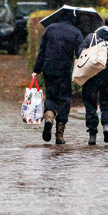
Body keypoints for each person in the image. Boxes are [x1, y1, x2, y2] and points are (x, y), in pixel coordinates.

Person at [32, 14, 83, 144]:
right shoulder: (76, 32)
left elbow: (42, 51)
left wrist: (36, 70)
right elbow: (80, 55)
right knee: (64, 99)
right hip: (64, 69)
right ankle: (59, 135)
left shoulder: (50, 28)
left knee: (51, 96)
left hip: (49, 67)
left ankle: (49, 118)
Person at [78, 20, 108, 145]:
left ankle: (92, 134)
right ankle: (106, 126)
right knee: (106, 102)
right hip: (107, 76)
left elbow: (80, 53)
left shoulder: (90, 38)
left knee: (90, 104)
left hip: (91, 75)